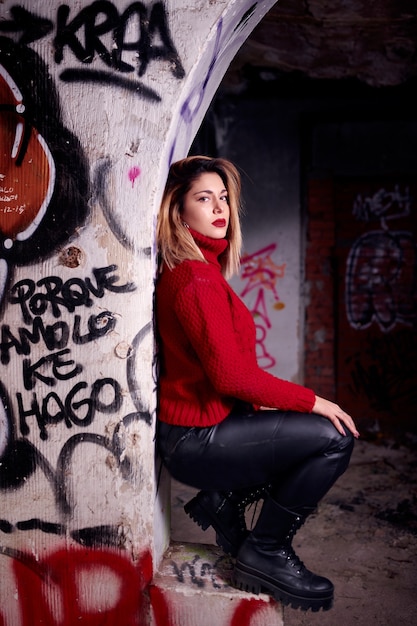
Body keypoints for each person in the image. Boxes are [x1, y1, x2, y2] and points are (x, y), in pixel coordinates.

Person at [155, 155, 359, 612]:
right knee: (332, 438)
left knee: (302, 435)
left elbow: (228, 372)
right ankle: (265, 550)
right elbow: (231, 376)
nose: (218, 207)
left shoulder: (202, 271)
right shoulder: (194, 279)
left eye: (223, 197)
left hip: (200, 430)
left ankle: (223, 501)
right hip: (195, 441)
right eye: (203, 198)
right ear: (177, 211)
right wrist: (313, 401)